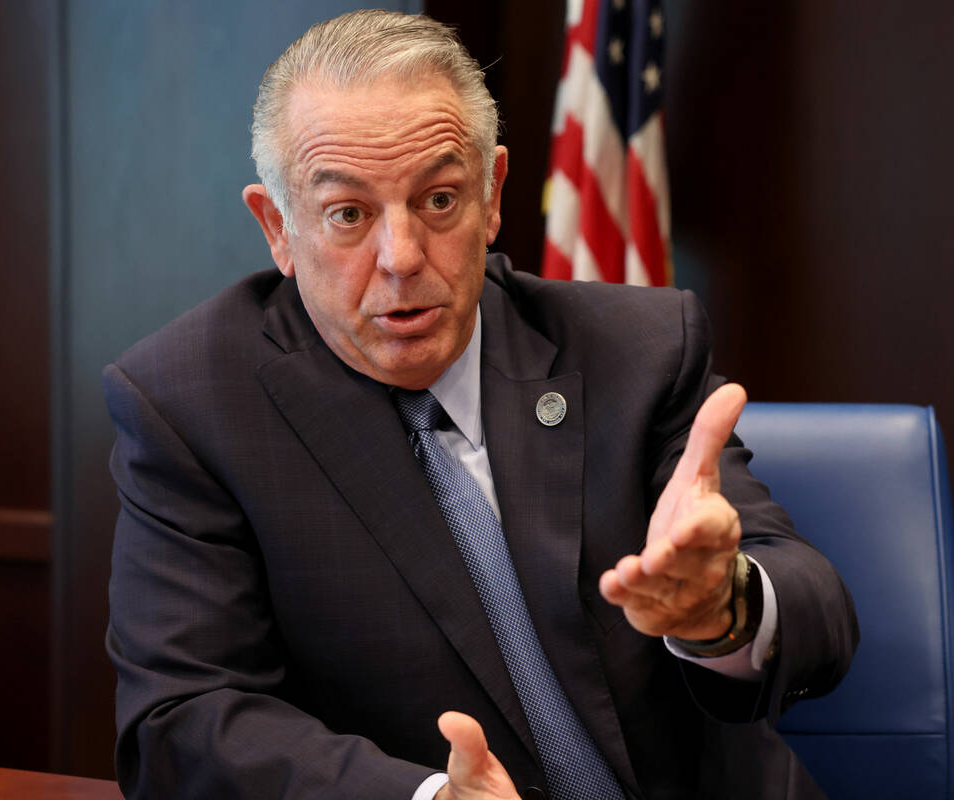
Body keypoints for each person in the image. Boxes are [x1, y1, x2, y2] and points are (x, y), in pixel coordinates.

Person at [103, 10, 857, 800]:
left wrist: (723, 606)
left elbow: (819, 614)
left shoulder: (635, 350)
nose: (401, 258)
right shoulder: (192, 406)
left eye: (438, 200)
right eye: (349, 214)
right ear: (278, 228)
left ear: (491, 194)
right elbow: (181, 720)